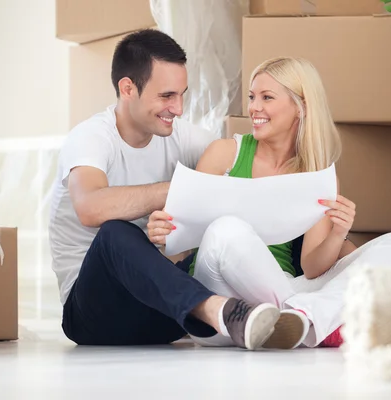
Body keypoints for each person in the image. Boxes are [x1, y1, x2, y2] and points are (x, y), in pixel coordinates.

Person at [48, 29, 303, 350]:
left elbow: (245, 173)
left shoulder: (186, 138)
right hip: (95, 313)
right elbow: (90, 208)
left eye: (182, 94)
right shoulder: (91, 138)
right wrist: (180, 189)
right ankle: (221, 311)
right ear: (128, 88)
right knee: (115, 232)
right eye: (167, 96)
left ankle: (295, 309)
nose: (179, 108)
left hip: (167, 315)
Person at [147, 57, 391, 349]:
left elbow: (312, 267)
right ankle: (319, 322)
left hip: (283, 288)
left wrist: (338, 233)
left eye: (267, 97)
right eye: (252, 97)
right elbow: (179, 249)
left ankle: (303, 318)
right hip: (223, 306)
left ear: (301, 107)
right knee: (226, 229)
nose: (254, 108)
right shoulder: (224, 154)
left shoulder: (315, 174)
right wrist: (163, 235)